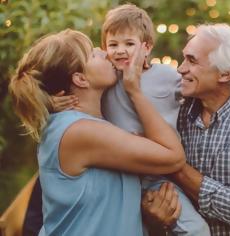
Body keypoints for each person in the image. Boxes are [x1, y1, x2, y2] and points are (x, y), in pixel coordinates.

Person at [52, 4, 230, 236]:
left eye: (129, 44)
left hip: (159, 176)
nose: (120, 51)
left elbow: (204, 83)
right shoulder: (108, 80)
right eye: (112, 45)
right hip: (122, 174)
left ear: (147, 47)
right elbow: (73, 85)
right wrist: (51, 102)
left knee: (197, 229)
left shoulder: (167, 76)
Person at [9, 29, 186, 236]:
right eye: (92, 54)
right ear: (80, 79)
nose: (103, 52)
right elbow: (173, 157)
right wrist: (134, 90)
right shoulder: (79, 131)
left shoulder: (79, 124)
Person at [141, 23, 230, 236]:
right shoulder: (177, 111)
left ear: (225, 74)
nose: (181, 68)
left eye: (192, 60)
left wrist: (172, 162)